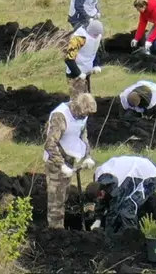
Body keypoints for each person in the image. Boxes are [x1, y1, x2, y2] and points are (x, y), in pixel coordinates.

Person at [42, 92, 98, 230]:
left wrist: (87, 156)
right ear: (77, 108)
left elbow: (83, 135)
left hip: (69, 157)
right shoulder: (60, 116)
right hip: (55, 159)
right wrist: (61, 165)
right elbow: (50, 144)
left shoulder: (82, 115)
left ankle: (62, 225)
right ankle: (55, 230)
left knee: (64, 194)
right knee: (56, 197)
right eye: (84, 114)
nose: (85, 117)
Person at [89, 154, 156, 234]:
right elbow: (103, 203)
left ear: (102, 192)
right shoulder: (97, 176)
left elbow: (113, 211)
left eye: (99, 198)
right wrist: (98, 219)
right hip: (133, 166)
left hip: (149, 174)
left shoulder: (119, 186)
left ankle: (131, 235)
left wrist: (107, 234)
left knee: (127, 208)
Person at [63, 18, 104, 95]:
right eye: (95, 35)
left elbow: (94, 51)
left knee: (87, 96)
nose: (97, 37)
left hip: (87, 72)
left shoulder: (97, 37)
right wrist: (78, 73)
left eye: (98, 35)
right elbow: (68, 59)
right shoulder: (79, 38)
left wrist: (95, 65)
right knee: (77, 98)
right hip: (75, 75)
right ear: (90, 31)